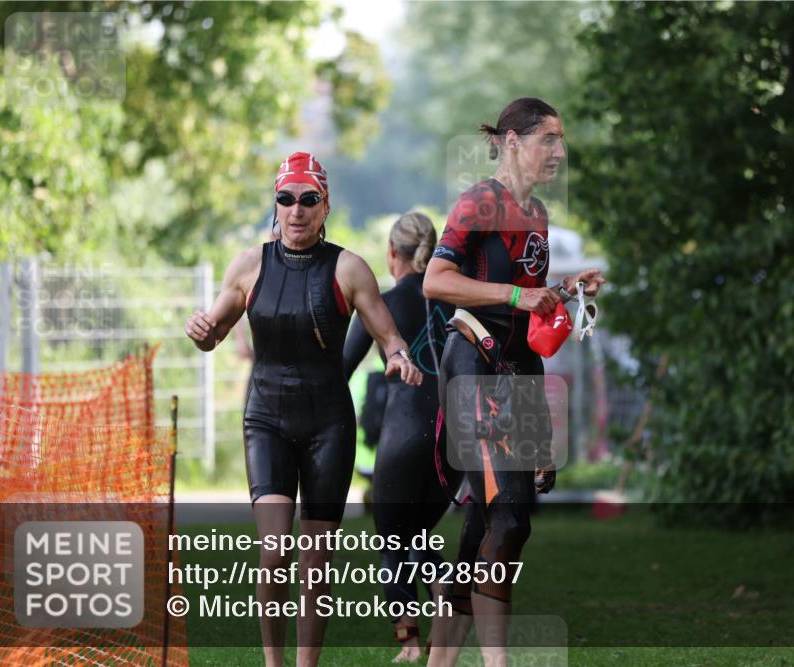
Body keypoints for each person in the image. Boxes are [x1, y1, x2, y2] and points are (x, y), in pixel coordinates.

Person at [184, 151, 422, 667]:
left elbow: (389, 335)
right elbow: (214, 331)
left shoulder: (349, 267)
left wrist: (401, 359)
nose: (296, 210)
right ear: (276, 203)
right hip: (266, 418)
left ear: (325, 205)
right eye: (287, 199)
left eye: (308, 200)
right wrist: (202, 331)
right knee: (274, 556)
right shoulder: (249, 265)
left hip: (327, 425)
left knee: (316, 566)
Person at [422, 98, 605, 667]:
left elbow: (524, 295)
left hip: (516, 372)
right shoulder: (480, 200)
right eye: (547, 139)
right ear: (510, 141)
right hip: (472, 365)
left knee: (485, 523)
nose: (558, 151)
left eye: (560, 140)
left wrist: (565, 286)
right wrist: (518, 295)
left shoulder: (539, 215)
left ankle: (440, 661)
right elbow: (436, 280)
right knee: (511, 516)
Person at [343, 211, 459, 663]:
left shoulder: (380, 304)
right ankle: (446, 618)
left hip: (403, 431)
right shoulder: (455, 304)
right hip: (452, 440)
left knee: (393, 537)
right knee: (422, 534)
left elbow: (341, 370)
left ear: (392, 254)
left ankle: (409, 644)